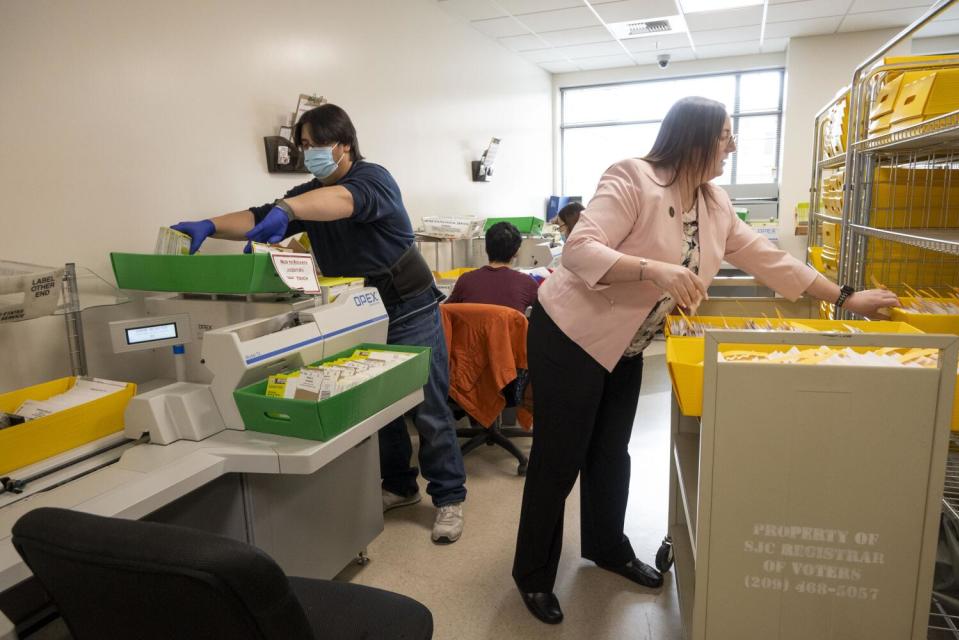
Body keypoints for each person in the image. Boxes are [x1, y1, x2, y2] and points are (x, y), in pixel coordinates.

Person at [511, 96, 899, 625]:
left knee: (610, 453)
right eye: (725, 135)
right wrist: (654, 270)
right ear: (693, 138)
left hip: (623, 347)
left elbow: (770, 259)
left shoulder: (713, 202)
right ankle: (532, 576)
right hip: (570, 337)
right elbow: (580, 250)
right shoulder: (632, 178)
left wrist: (844, 296)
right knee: (559, 459)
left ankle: (607, 547)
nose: (733, 145)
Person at [170, 104, 467, 544]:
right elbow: (258, 216)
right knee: (377, 405)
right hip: (363, 311)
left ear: (344, 144)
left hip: (410, 306)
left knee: (427, 407)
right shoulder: (309, 194)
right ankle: (400, 486)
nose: (309, 152)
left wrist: (287, 210)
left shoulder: (372, 180)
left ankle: (448, 498)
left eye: (317, 144)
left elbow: (342, 202)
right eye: (304, 145)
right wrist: (210, 225)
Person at [445, 221, 539, 314]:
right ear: (516, 252)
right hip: (509, 329)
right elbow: (547, 316)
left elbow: (444, 313)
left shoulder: (465, 280)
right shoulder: (527, 283)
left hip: (474, 329)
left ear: (486, 249)